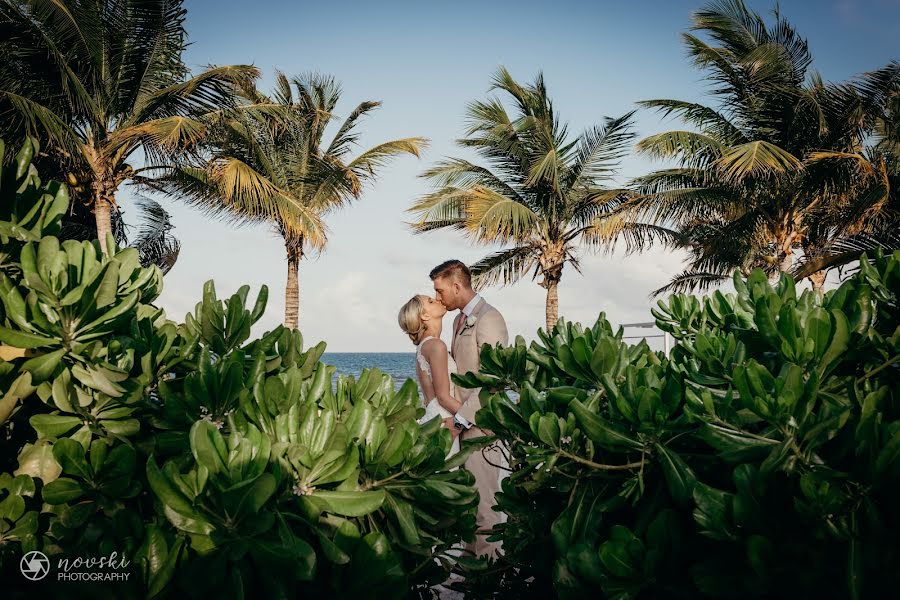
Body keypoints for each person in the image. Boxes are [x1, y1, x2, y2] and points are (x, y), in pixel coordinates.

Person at [430, 259, 508, 558]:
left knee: (485, 501)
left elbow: (491, 378)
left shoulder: (489, 318)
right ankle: (470, 561)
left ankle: (487, 572)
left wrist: (461, 419)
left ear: (456, 285)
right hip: (463, 421)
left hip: (481, 423)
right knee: (469, 498)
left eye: (440, 291)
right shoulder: (457, 320)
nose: (438, 298)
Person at [398, 294, 462, 457]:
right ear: (425, 316)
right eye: (431, 302)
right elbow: (443, 397)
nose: (438, 299)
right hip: (445, 422)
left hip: (434, 419)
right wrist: (477, 420)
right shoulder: (436, 345)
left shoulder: (425, 346)